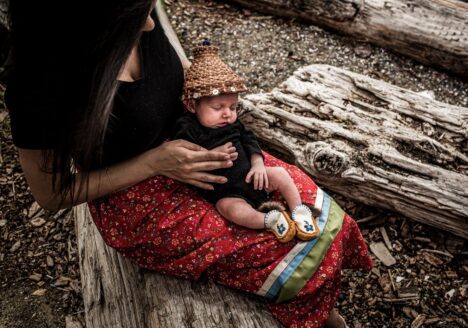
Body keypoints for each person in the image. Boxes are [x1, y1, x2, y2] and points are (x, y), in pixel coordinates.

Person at [3, 0, 373, 327]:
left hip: (203, 145)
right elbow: (52, 195)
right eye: (138, 16)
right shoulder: (38, 84)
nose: (151, 25)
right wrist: (154, 162)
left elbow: (181, 76)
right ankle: (316, 316)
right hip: (137, 199)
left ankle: (323, 314)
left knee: (322, 220)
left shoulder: (139, 11)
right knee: (288, 249)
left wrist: (215, 115)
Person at [174, 43, 320, 243]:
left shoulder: (233, 124)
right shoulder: (187, 128)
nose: (227, 113)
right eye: (218, 107)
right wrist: (210, 154)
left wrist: (258, 163)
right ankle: (270, 219)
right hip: (227, 191)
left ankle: (298, 210)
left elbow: (249, 139)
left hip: (253, 177)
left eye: (233, 107)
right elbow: (183, 156)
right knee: (229, 209)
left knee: (279, 173)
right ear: (192, 105)